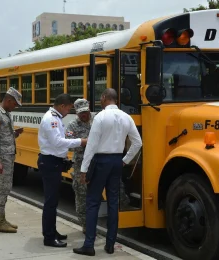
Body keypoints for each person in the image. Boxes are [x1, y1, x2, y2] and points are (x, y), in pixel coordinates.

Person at [73, 88, 142, 256]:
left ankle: (89, 244)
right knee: (113, 203)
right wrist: (125, 160)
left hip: (100, 161)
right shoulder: (127, 117)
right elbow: (138, 143)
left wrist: (83, 169)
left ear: (104, 98)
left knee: (92, 202)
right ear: (116, 100)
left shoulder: (100, 117)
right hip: (117, 161)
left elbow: (91, 145)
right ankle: (110, 244)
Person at [66, 98, 130, 235]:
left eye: (85, 112)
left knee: (118, 190)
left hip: (101, 162)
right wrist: (84, 142)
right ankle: (86, 225)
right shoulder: (72, 126)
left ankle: (124, 215)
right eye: (80, 113)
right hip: (82, 164)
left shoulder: (98, 119)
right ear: (76, 113)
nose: (84, 115)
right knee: (82, 195)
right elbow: (69, 144)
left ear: (89, 109)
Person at [37, 93, 87, 248]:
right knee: (51, 202)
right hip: (50, 162)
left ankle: (52, 231)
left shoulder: (56, 117)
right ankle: (49, 237)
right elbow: (57, 142)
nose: (69, 112)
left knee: (54, 200)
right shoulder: (52, 119)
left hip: (54, 162)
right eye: (69, 108)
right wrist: (81, 141)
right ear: (62, 106)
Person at [0, 87, 24, 233]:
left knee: (7, 187)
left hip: (8, 156)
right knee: (3, 188)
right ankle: (0, 221)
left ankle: (2, 219)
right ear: (8, 100)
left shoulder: (6, 114)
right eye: (15, 104)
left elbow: (4, 136)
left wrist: (15, 134)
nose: (15, 107)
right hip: (2, 157)